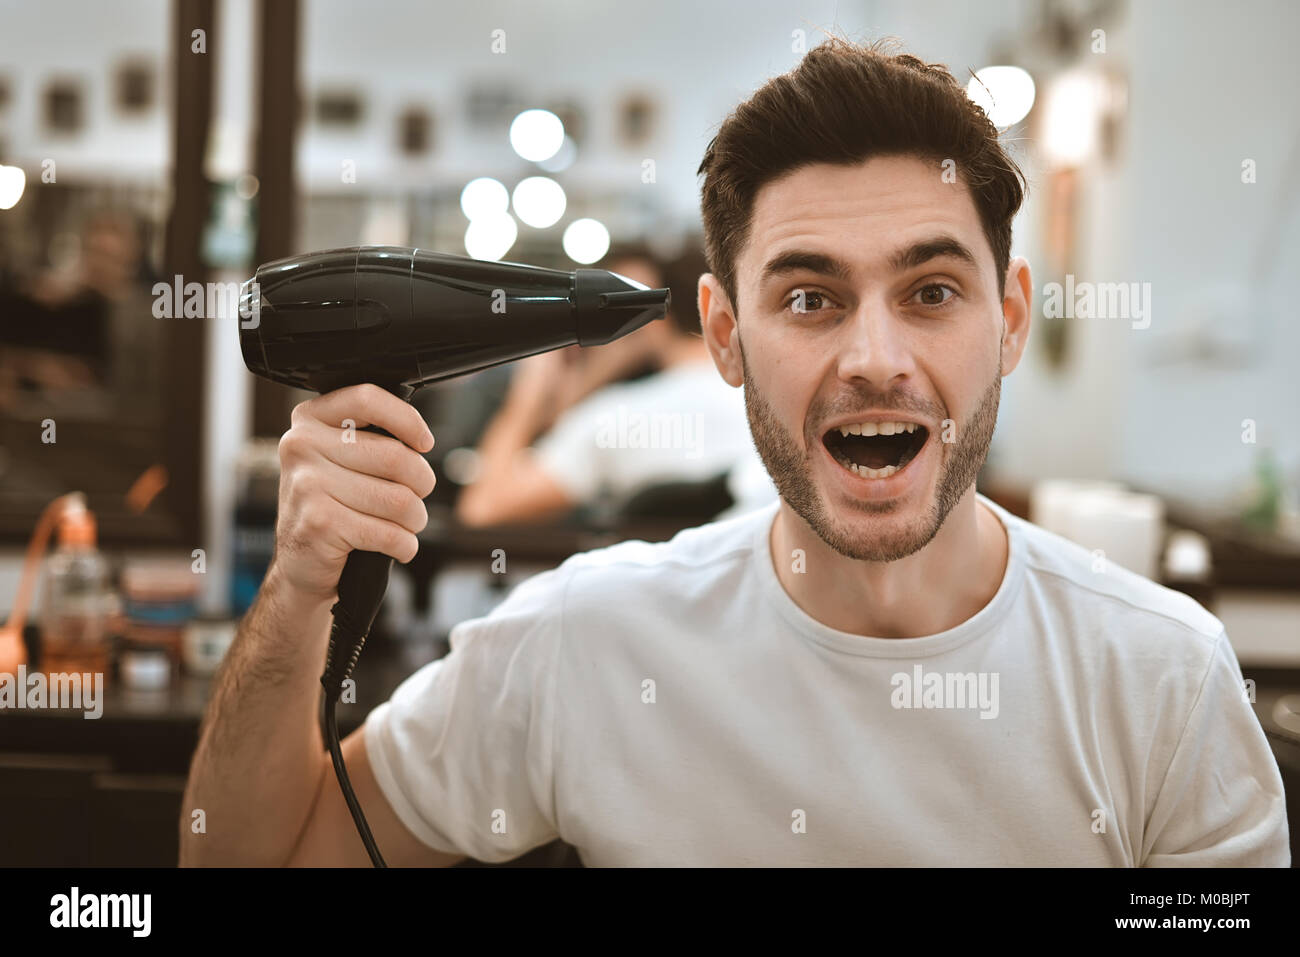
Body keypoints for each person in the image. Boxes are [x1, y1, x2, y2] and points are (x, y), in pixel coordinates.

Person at [181, 37, 1289, 866]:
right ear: (723, 334)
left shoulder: (1158, 680)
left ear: (1008, 319)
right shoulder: (588, 643)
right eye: (809, 296)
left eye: (931, 291)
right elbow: (253, 860)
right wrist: (296, 589)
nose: (873, 357)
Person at [454, 244, 775, 526]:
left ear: (647, 318)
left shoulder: (611, 418)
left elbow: (482, 511)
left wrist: (528, 395)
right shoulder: (775, 401)